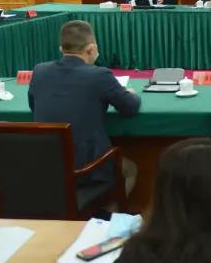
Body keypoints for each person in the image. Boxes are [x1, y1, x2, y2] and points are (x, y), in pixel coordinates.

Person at [28, 20, 140, 193]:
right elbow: (130, 107)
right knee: (130, 169)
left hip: (45, 166)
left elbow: (33, 106)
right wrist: (129, 93)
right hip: (86, 169)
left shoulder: (39, 71)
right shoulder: (99, 75)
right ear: (91, 49)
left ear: (61, 49)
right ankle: (107, 210)